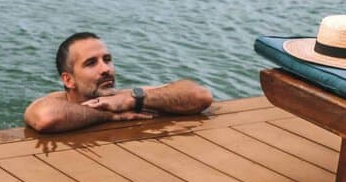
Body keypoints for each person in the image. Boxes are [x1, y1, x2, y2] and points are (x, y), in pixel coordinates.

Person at [23, 32, 213, 134]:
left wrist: (132, 100)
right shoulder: (55, 102)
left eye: (107, 59)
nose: (105, 69)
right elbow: (45, 118)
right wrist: (109, 115)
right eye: (91, 63)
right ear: (68, 79)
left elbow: (200, 95)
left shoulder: (126, 97)